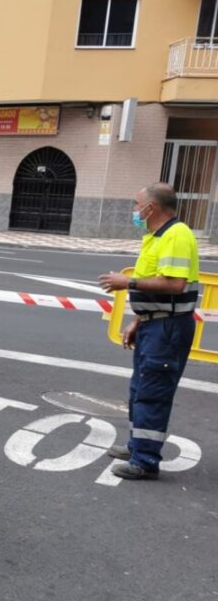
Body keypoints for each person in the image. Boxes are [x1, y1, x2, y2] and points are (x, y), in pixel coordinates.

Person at [98, 183, 199, 481]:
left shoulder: (176, 235)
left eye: (136, 204)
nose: (134, 210)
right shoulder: (156, 236)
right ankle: (137, 446)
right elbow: (159, 289)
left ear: (150, 208)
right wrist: (138, 321)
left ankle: (145, 461)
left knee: (153, 391)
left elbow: (174, 284)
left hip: (168, 328)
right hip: (154, 324)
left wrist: (126, 282)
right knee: (140, 389)